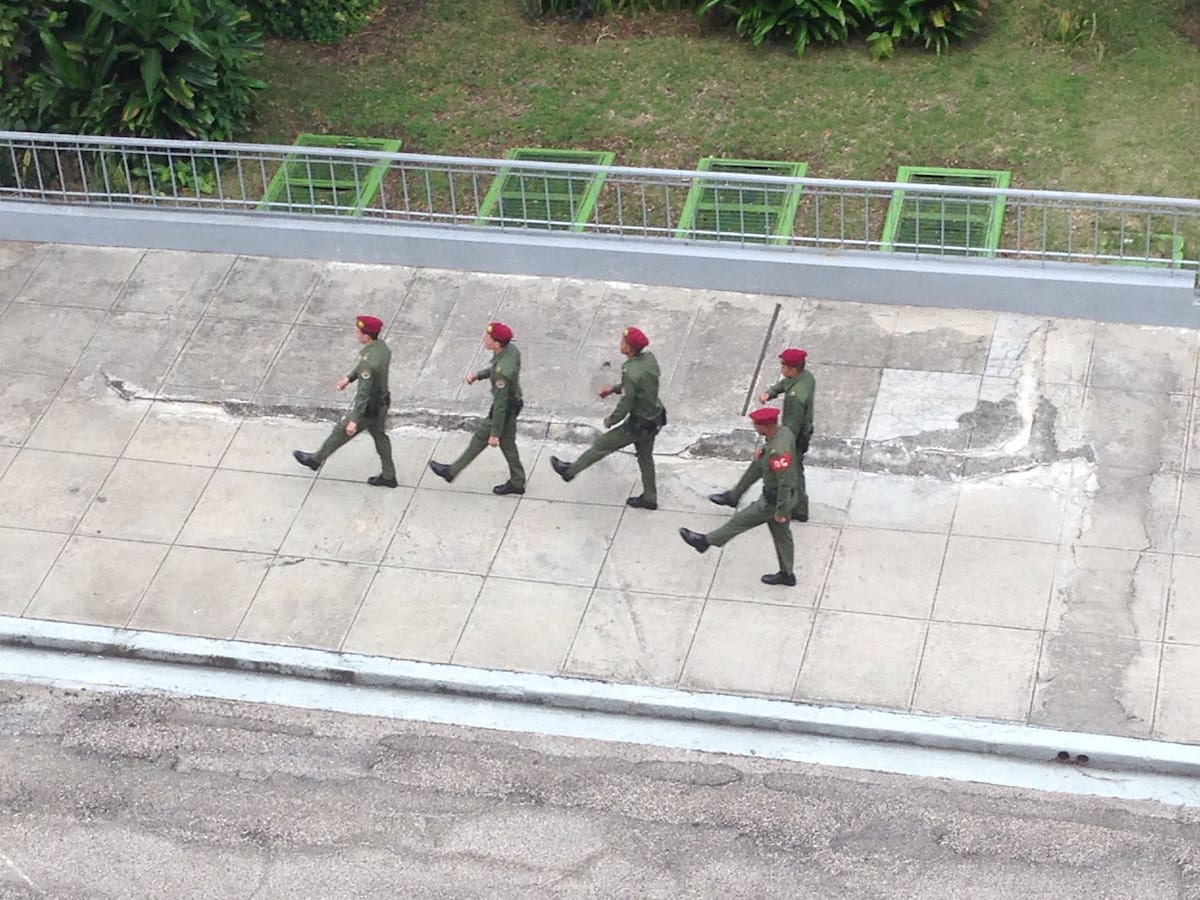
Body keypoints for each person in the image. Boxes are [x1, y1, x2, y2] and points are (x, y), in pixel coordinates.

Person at [680, 407, 798, 586]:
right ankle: (787, 574)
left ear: (765, 426)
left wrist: (780, 511)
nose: (755, 428)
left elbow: (784, 482)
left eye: (756, 425)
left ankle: (705, 541)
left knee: (740, 521)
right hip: (785, 497)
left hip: (773, 502)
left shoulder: (778, 452)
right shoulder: (784, 433)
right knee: (782, 536)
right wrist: (765, 449)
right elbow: (780, 448)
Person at [550, 326, 665, 510]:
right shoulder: (649, 359)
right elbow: (639, 385)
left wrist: (611, 420)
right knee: (645, 458)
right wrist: (613, 389)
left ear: (630, 348)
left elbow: (626, 402)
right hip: (655, 418)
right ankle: (650, 497)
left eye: (623, 342)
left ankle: (570, 471)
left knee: (602, 445)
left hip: (637, 424)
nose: (620, 344)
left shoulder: (630, 370)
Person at [709, 347, 814, 522]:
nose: (781, 369)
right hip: (802, 434)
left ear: (792, 369)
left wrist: (768, 447)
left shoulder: (796, 397)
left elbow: (790, 429)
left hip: (792, 438)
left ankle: (735, 496)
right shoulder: (806, 377)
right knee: (796, 472)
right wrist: (771, 393)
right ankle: (800, 509)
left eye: (783, 366)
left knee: (764, 463)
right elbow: (786, 383)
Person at [293, 315, 396, 488]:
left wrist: (354, 421)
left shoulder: (368, 362)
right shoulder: (381, 349)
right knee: (380, 437)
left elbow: (363, 394)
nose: (356, 334)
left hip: (369, 408)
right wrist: (349, 378)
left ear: (366, 336)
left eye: (358, 332)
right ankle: (389, 475)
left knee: (340, 430)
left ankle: (316, 460)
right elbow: (366, 367)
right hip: (382, 402)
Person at [428, 321, 526, 495]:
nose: (484, 339)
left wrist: (494, 434)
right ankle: (517, 481)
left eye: (488, 337)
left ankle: (451, 471)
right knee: (508, 444)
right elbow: (496, 368)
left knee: (481, 437)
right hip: (514, 402)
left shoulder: (502, 372)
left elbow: (501, 405)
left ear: (496, 344)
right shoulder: (511, 351)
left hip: (505, 409)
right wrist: (479, 376)